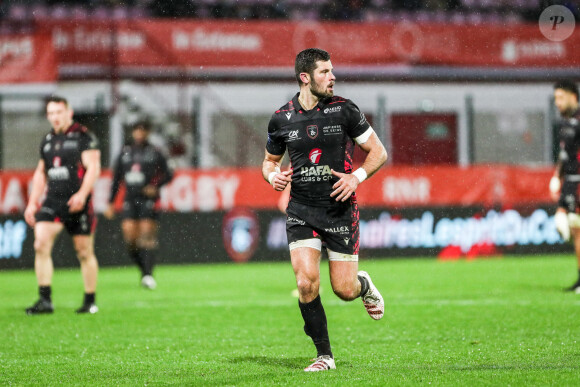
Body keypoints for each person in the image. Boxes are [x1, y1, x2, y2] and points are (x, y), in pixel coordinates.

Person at [262, 48, 388, 372]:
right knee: (306, 283)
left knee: (344, 290)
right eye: (324, 72)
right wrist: (272, 176)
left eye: (332, 71)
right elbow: (269, 162)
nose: (332, 77)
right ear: (305, 77)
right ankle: (324, 356)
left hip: (339, 211)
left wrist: (356, 177)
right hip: (301, 209)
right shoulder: (280, 119)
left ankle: (363, 285)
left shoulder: (344, 110)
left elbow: (378, 151)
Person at [24, 96, 101, 315]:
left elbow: (93, 168)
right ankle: (45, 299)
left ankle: (89, 300)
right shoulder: (47, 140)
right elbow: (41, 172)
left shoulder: (84, 137)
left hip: (77, 202)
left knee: (84, 252)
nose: (55, 117)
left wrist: (82, 195)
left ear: (69, 112)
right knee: (40, 244)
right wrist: (32, 202)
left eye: (59, 112)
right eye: (51, 113)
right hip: (53, 201)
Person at [104, 121, 173, 289]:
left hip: (148, 200)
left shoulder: (155, 152)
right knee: (130, 239)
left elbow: (169, 174)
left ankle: (148, 275)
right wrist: (111, 202)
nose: (139, 134)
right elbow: (116, 179)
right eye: (136, 130)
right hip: (130, 198)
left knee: (146, 236)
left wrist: (155, 187)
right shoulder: (125, 152)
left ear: (148, 132)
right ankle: (144, 270)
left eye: (143, 130)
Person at [550, 80, 580, 293]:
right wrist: (556, 176)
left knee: (576, 229)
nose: (557, 103)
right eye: (555, 99)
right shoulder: (566, 123)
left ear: (573, 96)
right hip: (570, 181)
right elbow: (564, 155)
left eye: (561, 98)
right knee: (573, 228)